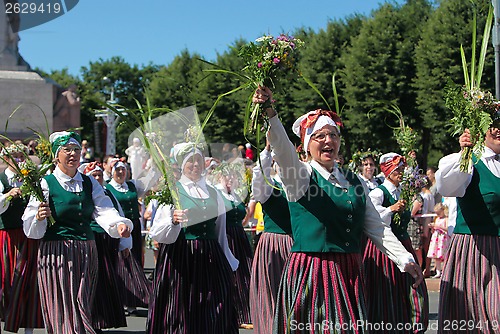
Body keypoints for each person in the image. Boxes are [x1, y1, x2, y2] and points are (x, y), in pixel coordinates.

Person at [252, 87, 423, 333]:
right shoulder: (301, 176)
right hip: (312, 270)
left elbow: (375, 226)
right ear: (307, 143)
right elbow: (284, 151)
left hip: (350, 271)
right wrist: (271, 114)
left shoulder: (354, 181)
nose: (328, 141)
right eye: (319, 136)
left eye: (333, 135)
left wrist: (404, 258)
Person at [22, 131, 132, 334]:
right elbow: (31, 228)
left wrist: (118, 224)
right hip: (56, 254)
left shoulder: (89, 183)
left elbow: (104, 209)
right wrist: (38, 217)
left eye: (76, 150)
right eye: (67, 150)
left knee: (82, 304)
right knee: (63, 308)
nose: (73, 154)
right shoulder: (46, 183)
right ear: (56, 155)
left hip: (86, 252)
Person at [147, 142, 239, 333]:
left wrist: (227, 259)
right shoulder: (173, 191)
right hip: (182, 256)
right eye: (191, 161)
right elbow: (156, 232)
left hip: (211, 255)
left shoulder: (214, 192)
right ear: (183, 165)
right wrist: (172, 220)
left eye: (198, 161)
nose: (195, 165)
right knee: (182, 306)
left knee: (217, 303)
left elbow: (220, 229)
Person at [435, 122, 500, 332]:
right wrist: (464, 153)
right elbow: (446, 186)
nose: (498, 129)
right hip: (475, 250)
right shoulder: (470, 161)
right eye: (493, 125)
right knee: (480, 316)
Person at [365, 152, 429, 332]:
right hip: (384, 247)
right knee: (386, 290)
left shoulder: (402, 191)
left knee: (414, 286)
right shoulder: (379, 193)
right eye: (397, 169)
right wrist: (391, 209)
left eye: (402, 169)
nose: (400, 172)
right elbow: (372, 219)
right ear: (388, 170)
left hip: (404, 243)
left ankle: (412, 325)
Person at [78, 162, 130, 332]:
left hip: (108, 241)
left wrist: (124, 244)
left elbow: (118, 214)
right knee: (92, 281)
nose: (98, 178)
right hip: (92, 240)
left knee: (107, 279)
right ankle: (90, 319)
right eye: (94, 175)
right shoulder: (84, 192)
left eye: (100, 175)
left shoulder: (107, 193)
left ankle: (102, 319)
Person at [249, 142, 293, 334]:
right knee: (272, 294)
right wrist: (266, 151)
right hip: (273, 244)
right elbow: (258, 180)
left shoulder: (299, 185)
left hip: (296, 244)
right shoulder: (269, 186)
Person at [0, 143, 43, 334]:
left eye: (21, 156)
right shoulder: (2, 180)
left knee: (28, 278)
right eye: (15, 156)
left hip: (28, 234)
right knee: (7, 278)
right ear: (6, 159)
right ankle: (7, 317)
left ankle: (27, 325)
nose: (19, 160)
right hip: (8, 234)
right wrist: (8, 195)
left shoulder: (30, 179)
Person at [105, 161, 152, 314]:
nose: (120, 173)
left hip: (134, 227)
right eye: (117, 170)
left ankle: (134, 299)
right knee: (121, 264)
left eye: (123, 170)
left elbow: (151, 180)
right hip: (119, 228)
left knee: (135, 260)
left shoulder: (132, 186)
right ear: (112, 172)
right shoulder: (108, 188)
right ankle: (121, 298)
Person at [213, 162, 253, 328]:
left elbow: (244, 214)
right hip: (226, 235)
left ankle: (246, 313)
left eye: (232, 176)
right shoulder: (217, 192)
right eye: (226, 175)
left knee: (245, 273)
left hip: (239, 235)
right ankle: (233, 314)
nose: (229, 179)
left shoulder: (235, 195)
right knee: (231, 275)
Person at [426, 203, 449, 279]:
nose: (438, 215)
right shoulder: (437, 219)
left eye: (439, 213)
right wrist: (432, 227)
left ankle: (445, 271)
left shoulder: (446, 219)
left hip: (443, 239)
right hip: (437, 238)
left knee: (443, 255)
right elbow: (434, 229)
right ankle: (438, 272)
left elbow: (447, 229)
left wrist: (439, 227)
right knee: (436, 257)